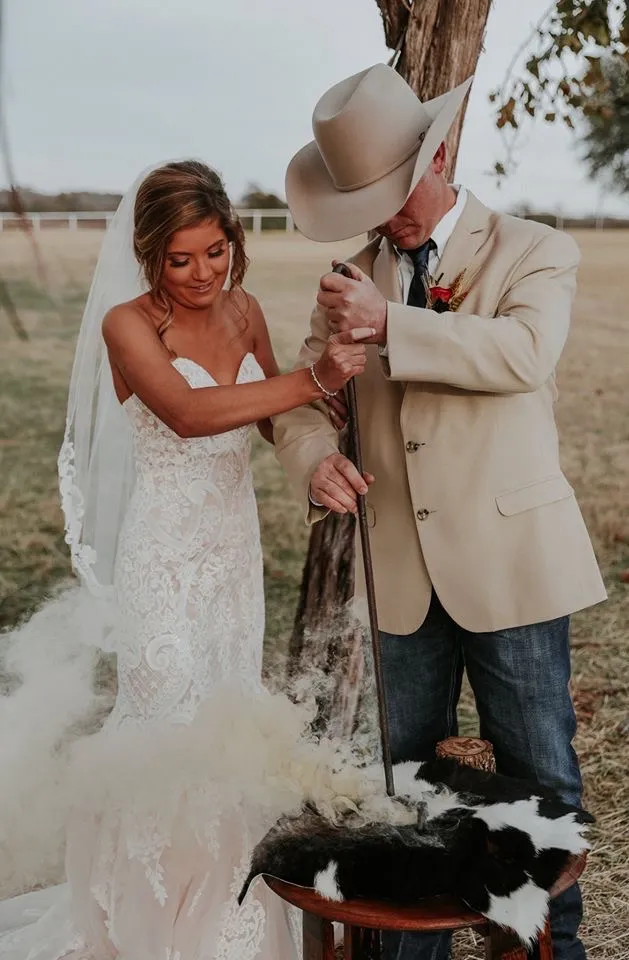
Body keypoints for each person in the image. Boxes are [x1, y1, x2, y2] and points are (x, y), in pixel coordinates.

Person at [273, 64, 607, 960]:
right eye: (369, 202)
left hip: (513, 567)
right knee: (402, 790)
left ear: (442, 153)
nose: (388, 219)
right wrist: (313, 458)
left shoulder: (534, 248)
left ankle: (544, 948)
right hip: (399, 579)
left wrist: (395, 326)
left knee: (540, 777)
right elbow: (301, 399)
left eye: (396, 193)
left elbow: (525, 353)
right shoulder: (352, 277)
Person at [0, 159, 371, 960]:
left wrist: (323, 415)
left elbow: (271, 414)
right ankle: (145, 924)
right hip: (163, 562)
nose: (202, 273)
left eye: (214, 252)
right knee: (165, 728)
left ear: (232, 244)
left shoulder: (241, 309)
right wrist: (306, 379)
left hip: (232, 560)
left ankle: (222, 928)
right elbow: (189, 412)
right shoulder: (126, 325)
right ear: (148, 257)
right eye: (180, 258)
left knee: (224, 731)